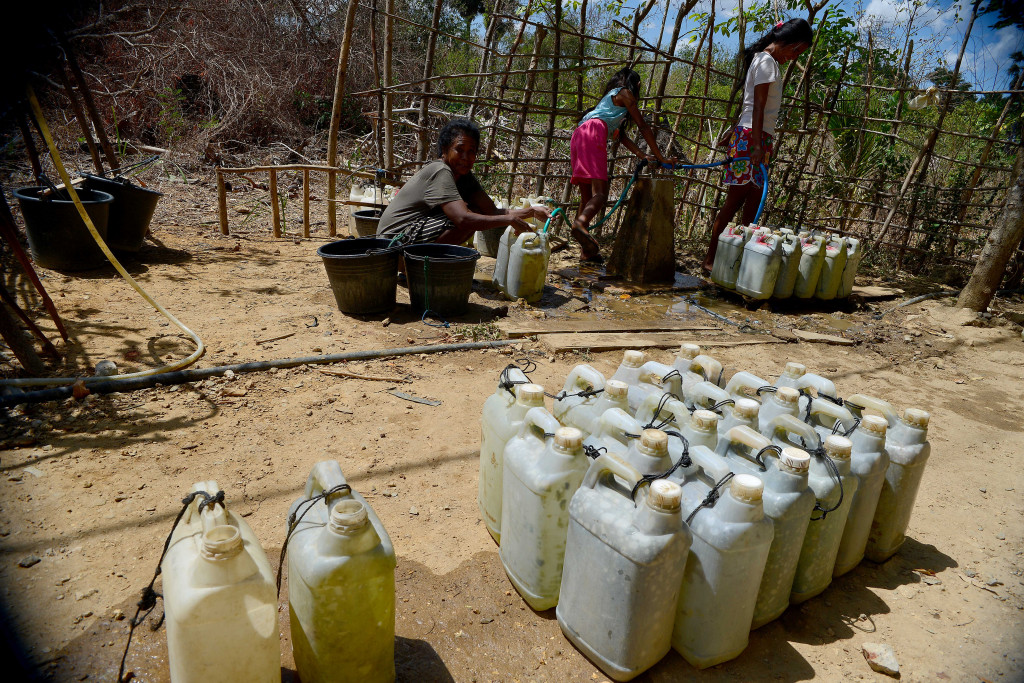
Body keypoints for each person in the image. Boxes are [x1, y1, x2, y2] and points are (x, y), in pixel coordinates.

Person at [702, 18, 813, 274]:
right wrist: (754, 146)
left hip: (755, 137)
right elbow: (758, 106)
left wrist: (743, 135)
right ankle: (710, 260)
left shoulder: (765, 61)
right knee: (735, 201)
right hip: (754, 138)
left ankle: (735, 261)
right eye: (796, 51)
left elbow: (749, 103)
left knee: (752, 204)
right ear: (789, 43)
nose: (795, 57)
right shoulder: (766, 62)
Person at [376, 118, 549, 245]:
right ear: (445, 150)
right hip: (392, 245)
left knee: (477, 212)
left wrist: (531, 211)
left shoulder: (464, 176)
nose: (466, 158)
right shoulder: (440, 170)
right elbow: (463, 219)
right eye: (459, 150)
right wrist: (508, 221)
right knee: (469, 217)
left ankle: (427, 265)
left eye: (472, 151)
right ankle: (422, 267)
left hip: (406, 239)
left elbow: (491, 211)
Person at [569, 67, 677, 263]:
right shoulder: (625, 94)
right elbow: (643, 126)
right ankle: (579, 224)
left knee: (586, 199)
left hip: (579, 135)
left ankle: (587, 252)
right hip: (594, 132)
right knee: (600, 194)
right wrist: (661, 157)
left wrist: (643, 154)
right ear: (636, 85)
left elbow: (623, 138)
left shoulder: (608, 105)